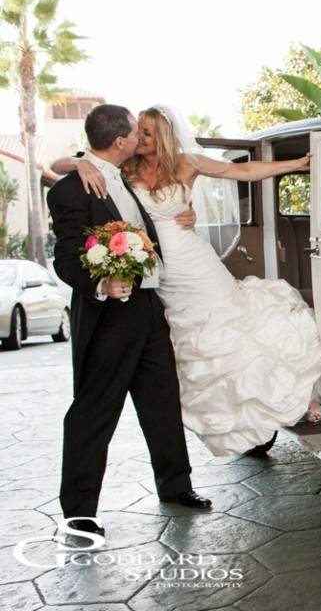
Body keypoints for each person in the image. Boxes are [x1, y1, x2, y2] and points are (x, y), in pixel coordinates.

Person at [51, 104, 321, 457]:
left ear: (162, 135)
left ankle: (297, 393)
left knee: (235, 327)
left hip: (195, 265)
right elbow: (61, 167)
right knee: (197, 348)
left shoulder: (187, 163)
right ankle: (239, 416)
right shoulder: (125, 168)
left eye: (146, 132)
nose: (139, 138)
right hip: (161, 276)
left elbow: (240, 171)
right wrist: (81, 162)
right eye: (137, 133)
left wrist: (295, 165)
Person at [47, 104, 212, 537]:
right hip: (108, 315)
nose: (142, 137)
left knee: (161, 398)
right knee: (94, 409)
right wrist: (102, 285)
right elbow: (65, 259)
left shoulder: (128, 175)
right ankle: (79, 509)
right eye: (135, 133)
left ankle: (176, 485)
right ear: (119, 141)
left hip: (149, 306)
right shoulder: (68, 191)